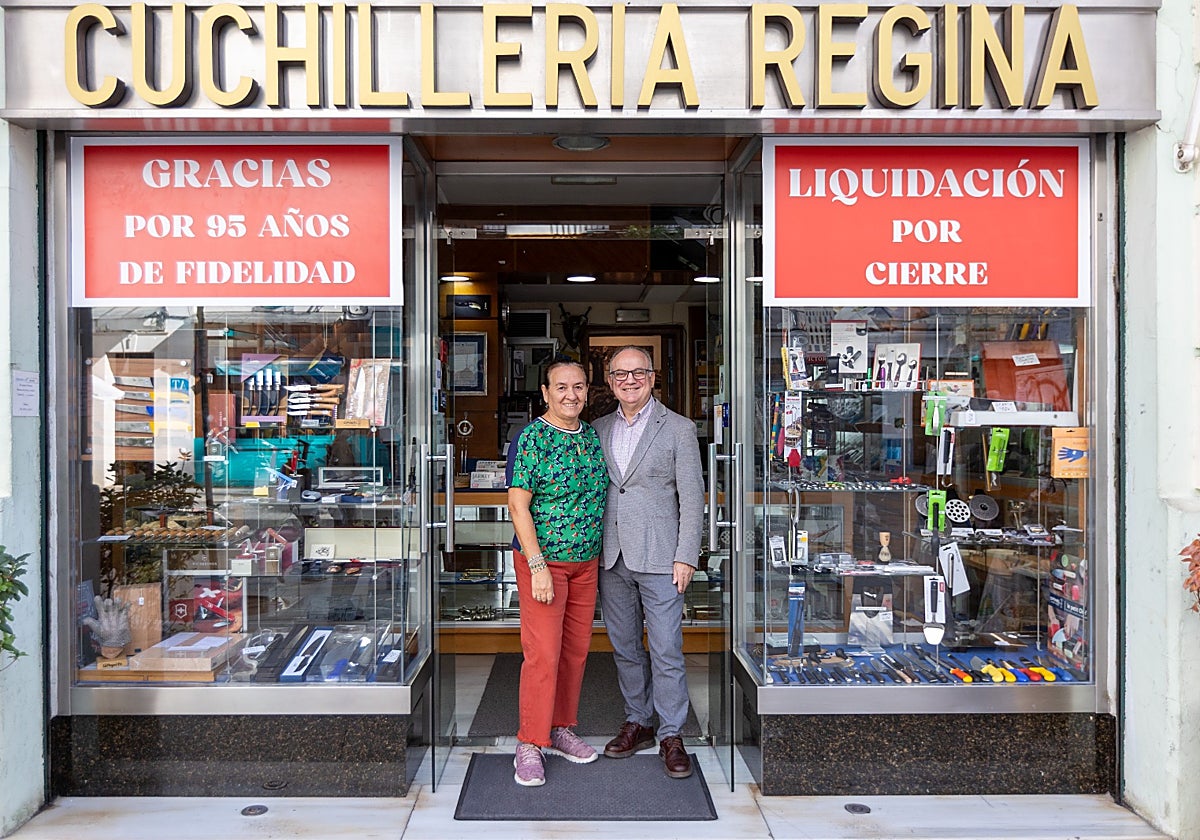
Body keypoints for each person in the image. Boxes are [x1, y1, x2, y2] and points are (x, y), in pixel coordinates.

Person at [592, 346, 705, 779]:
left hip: (661, 557)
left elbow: (692, 498)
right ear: (610, 380)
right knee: (625, 647)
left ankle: (671, 733)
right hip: (612, 556)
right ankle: (638, 721)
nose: (630, 380)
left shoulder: (678, 428)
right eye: (621, 374)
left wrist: (686, 555)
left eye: (638, 372)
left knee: (666, 649)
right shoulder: (598, 429)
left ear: (653, 377)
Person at [506, 359, 609, 787]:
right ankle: (530, 742)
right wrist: (537, 566)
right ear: (545, 393)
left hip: (586, 563)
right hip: (543, 563)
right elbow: (518, 506)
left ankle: (560, 727)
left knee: (574, 652)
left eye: (578, 386)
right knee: (543, 654)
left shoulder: (591, 437)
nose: (571, 395)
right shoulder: (531, 438)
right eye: (561, 387)